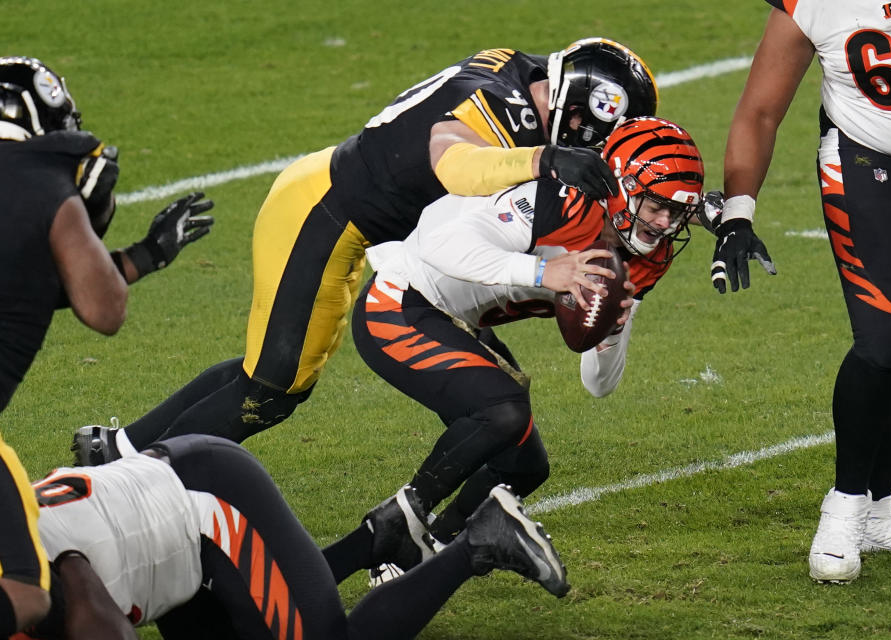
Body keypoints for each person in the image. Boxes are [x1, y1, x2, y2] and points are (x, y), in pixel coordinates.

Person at [72, 38, 661, 463]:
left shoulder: (521, 69)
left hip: (338, 208)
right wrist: (543, 159)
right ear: (587, 110)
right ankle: (132, 483)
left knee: (270, 365)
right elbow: (451, 159)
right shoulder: (505, 113)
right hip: (325, 216)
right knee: (274, 390)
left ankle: (119, 448)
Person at [351, 116, 705, 563]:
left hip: (458, 321)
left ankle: (426, 554)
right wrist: (542, 272)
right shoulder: (560, 200)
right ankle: (392, 533)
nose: (664, 223)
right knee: (502, 412)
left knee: (523, 466)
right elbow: (439, 242)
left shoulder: (645, 259)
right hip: (400, 300)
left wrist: (613, 329)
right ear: (620, 185)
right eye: (656, 204)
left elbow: (599, 383)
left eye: (677, 212)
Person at [717, 2, 891, 583]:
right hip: (867, 166)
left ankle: (878, 507)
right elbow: (761, 110)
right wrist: (737, 215)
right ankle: (844, 507)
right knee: (884, 342)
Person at [0, 56, 214, 636]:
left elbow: (20, 286)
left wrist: (142, 257)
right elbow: (103, 310)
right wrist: (83, 219)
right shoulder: (41, 180)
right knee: (26, 596)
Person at [18, 434, 567, 640]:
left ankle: (480, 540)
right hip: (166, 539)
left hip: (206, 508)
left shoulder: (32, 575)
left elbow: (100, 622)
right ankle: (377, 538)